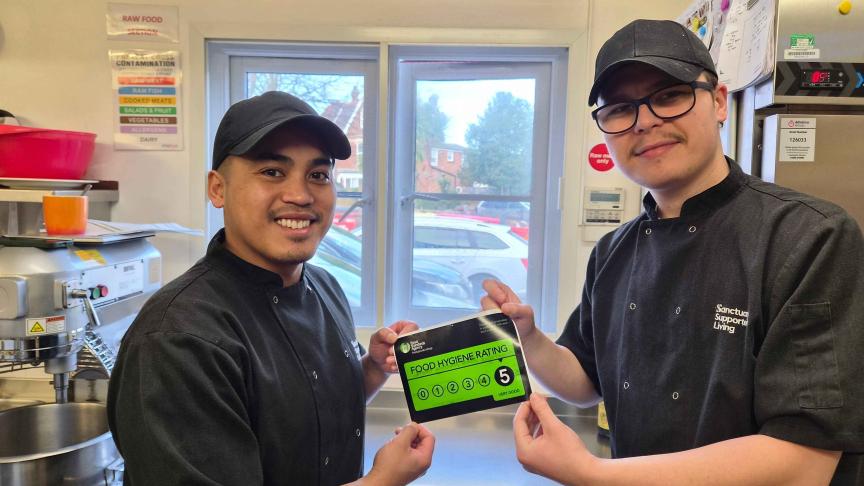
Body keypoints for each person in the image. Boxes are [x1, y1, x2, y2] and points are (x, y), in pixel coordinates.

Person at [483, 19, 864, 485]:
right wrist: (530, 338)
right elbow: (584, 381)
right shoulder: (612, 252)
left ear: (719, 101)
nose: (644, 121)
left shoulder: (809, 237)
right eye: (621, 108)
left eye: (669, 96)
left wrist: (592, 474)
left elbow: (802, 464)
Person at [108, 91, 435, 485]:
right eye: (271, 172)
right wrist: (379, 482)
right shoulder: (179, 338)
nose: (300, 195)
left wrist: (370, 370)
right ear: (217, 189)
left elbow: (299, 412)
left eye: (318, 175)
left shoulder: (325, 288)